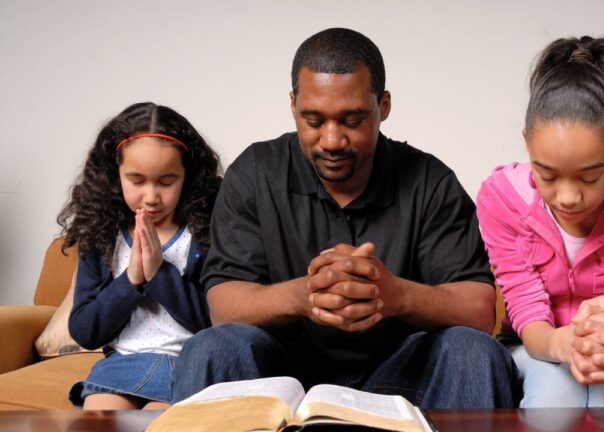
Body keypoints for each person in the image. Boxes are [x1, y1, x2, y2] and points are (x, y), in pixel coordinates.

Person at [172, 28, 515, 408]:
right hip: (284, 375)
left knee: (474, 351)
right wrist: (304, 295)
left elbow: (480, 310)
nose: (332, 140)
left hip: (400, 375)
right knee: (211, 348)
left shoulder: (430, 181)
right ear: (293, 105)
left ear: (383, 106)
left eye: (352, 120)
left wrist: (394, 294)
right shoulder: (254, 173)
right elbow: (223, 304)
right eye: (314, 121)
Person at [476, 36, 604, 407]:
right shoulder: (502, 197)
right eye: (548, 175)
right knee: (556, 399)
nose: (568, 197)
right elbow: (525, 307)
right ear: (527, 143)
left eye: (590, 177)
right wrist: (562, 343)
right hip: (536, 344)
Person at [59, 102, 222, 410]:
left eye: (166, 181)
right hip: (120, 366)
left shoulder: (203, 233)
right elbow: (85, 331)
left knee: (159, 422)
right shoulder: (101, 236)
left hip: (186, 366)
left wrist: (160, 272)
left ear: (187, 176)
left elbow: (214, 321)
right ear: (114, 174)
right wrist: (131, 279)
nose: (150, 196)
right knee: (102, 418)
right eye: (136, 181)